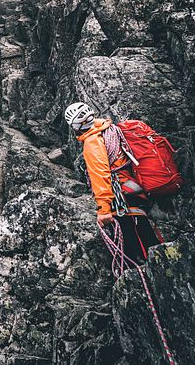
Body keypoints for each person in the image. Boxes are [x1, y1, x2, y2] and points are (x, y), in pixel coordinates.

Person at [64, 102, 164, 264]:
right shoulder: (109, 129)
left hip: (120, 197)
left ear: (75, 126)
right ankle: (159, 266)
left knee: (135, 249)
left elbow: (100, 174)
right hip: (134, 189)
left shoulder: (93, 141)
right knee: (146, 235)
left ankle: (145, 275)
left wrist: (103, 209)